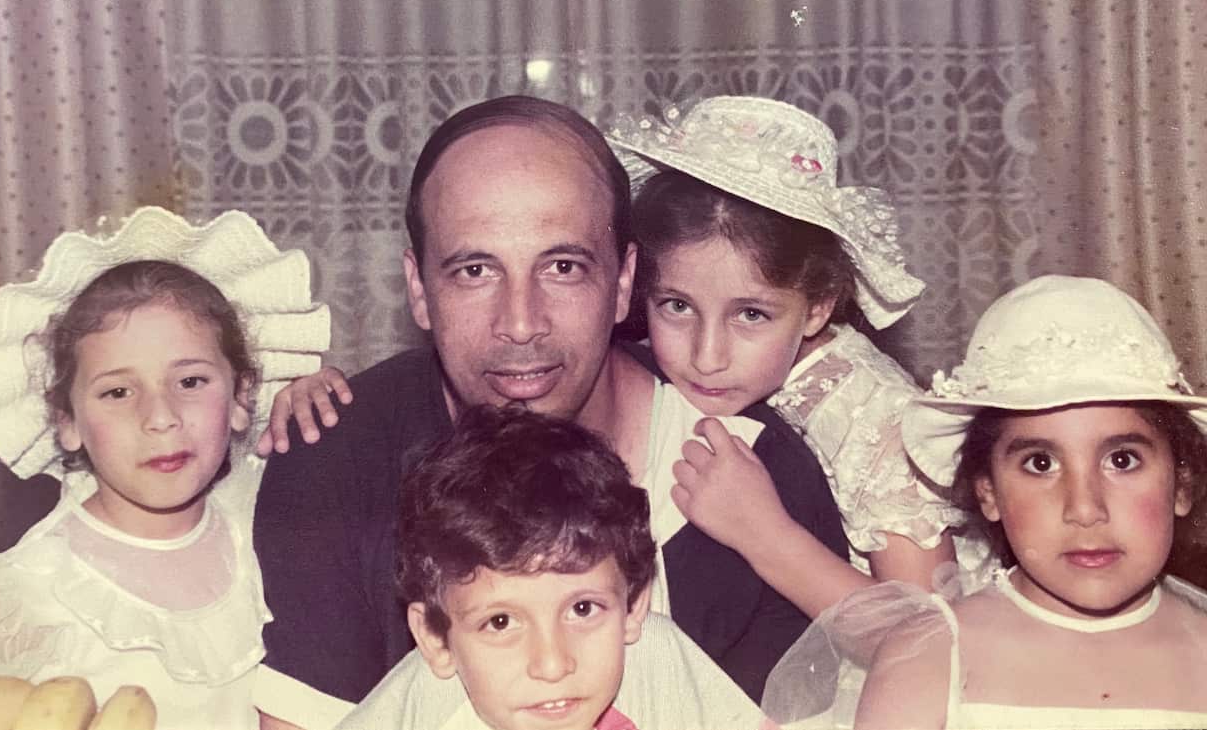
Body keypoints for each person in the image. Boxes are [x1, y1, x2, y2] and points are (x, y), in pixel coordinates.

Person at [252, 95, 847, 729]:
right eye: (475, 270)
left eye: (562, 267)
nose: (520, 323)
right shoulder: (336, 460)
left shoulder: (753, 471)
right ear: (419, 290)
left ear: (624, 281)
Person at [0, 207, 330, 730]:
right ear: (65, 420)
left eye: (190, 382)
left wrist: (326, 404)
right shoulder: (21, 594)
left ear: (242, 395)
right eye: (118, 391)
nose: (159, 418)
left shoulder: (269, 521)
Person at [764, 275, 1207, 729]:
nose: (1085, 509)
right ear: (988, 492)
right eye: (1040, 464)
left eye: (1122, 459)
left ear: (1182, 484)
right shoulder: (931, 659)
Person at [605, 95, 983, 620]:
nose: (707, 356)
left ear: (818, 307)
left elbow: (935, 638)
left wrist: (765, 534)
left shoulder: (878, 419)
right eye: (677, 306)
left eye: (751, 315)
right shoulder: (642, 371)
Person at [338, 405, 761, 730]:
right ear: (436, 638)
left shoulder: (657, 658)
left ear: (633, 606)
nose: (553, 664)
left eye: (582, 609)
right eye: (500, 622)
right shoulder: (426, 707)